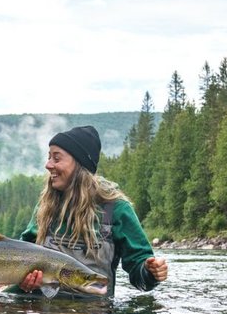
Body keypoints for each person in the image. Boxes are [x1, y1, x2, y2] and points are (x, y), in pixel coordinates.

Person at [16, 125, 168, 297]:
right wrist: (23, 283)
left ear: (80, 165)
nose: (48, 165)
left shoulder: (117, 209)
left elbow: (140, 275)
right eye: (49, 157)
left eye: (56, 159)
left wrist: (151, 273)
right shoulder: (45, 208)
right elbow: (21, 257)